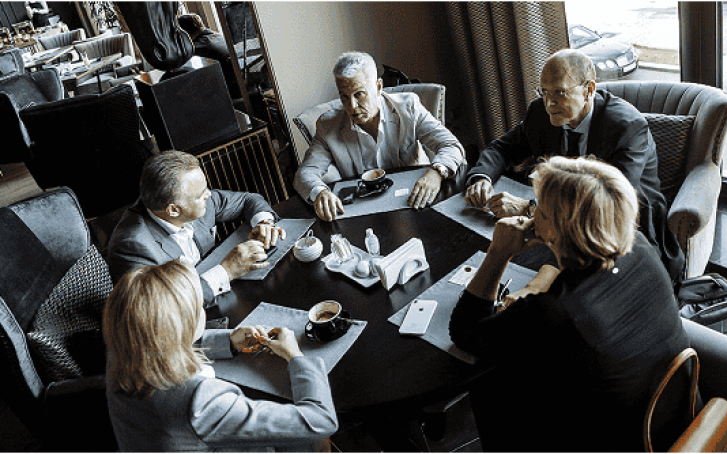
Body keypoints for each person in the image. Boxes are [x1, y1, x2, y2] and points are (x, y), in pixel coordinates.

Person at [449, 156, 690, 452]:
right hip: (672, 423)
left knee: (489, 379)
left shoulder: (555, 310)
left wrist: (498, 252)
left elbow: (464, 331)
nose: (532, 212)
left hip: (614, 442)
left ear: (557, 229)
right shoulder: (640, 246)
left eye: (539, 208)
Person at [464, 48, 685, 285]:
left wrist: (531, 209)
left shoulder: (626, 126)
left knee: (546, 283)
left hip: (623, 226)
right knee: (493, 260)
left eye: (559, 92)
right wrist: (482, 177)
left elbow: (608, 202)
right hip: (560, 223)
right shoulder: (540, 113)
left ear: (588, 90)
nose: (549, 103)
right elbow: (502, 147)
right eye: (544, 91)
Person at [104, 260, 338, 451]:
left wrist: (229, 341)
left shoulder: (123, 349)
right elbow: (321, 420)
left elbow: (162, 343)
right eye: (199, 306)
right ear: (184, 324)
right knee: (316, 442)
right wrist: (296, 356)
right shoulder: (201, 402)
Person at [293, 51, 466, 221]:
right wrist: (320, 192)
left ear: (378, 87)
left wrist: (436, 173)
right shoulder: (327, 125)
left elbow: (451, 145)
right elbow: (305, 174)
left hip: (414, 201)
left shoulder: (409, 107)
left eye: (359, 94)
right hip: (366, 212)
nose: (352, 106)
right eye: (344, 97)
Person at [107, 150, 286, 307]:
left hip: (224, 295)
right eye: (200, 195)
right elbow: (160, 308)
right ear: (174, 210)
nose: (209, 194)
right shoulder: (132, 245)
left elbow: (247, 200)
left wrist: (264, 223)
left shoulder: (191, 201)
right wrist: (227, 270)